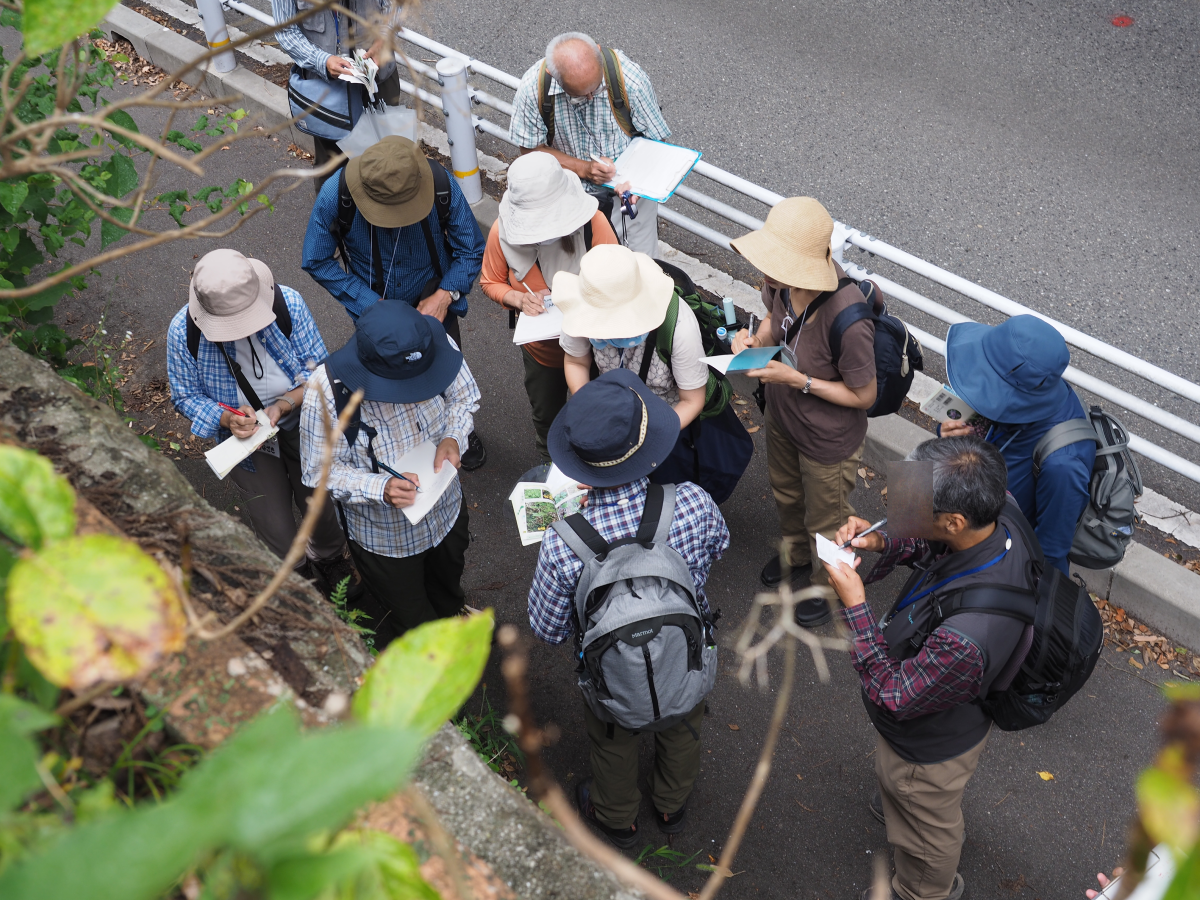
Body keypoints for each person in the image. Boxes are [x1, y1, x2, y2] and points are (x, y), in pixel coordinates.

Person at [823, 437, 1037, 900]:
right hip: (940, 715)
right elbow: (938, 549)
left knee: (927, 828)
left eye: (914, 504)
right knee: (905, 794)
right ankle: (902, 808)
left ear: (955, 520)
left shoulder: (967, 638)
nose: (897, 507)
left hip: (928, 749)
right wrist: (884, 540)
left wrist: (857, 606)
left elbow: (894, 694)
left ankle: (921, 890)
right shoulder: (1000, 510)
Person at [528, 368, 730, 847]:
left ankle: (617, 818)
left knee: (612, 744)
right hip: (683, 655)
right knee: (683, 728)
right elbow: (716, 549)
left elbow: (547, 627)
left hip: (611, 671)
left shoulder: (562, 541)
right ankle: (671, 805)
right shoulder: (693, 504)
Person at [729, 197, 877, 626]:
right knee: (787, 493)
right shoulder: (781, 283)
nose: (767, 270)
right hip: (782, 417)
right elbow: (772, 324)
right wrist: (752, 343)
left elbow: (863, 397)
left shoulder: (849, 318)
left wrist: (800, 381)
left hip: (828, 439)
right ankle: (795, 554)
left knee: (828, 518)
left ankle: (825, 584)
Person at [299, 301, 481, 648]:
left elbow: (464, 396)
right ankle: (429, 664)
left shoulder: (434, 342)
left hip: (445, 509)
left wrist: (453, 437)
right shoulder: (325, 392)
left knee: (449, 580)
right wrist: (379, 487)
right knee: (410, 611)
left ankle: (453, 617)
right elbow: (318, 471)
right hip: (385, 538)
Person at [302, 135, 488, 470]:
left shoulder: (441, 183)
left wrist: (444, 296)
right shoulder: (336, 193)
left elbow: (471, 248)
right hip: (373, 310)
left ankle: (458, 433)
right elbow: (316, 259)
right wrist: (371, 305)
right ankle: (400, 439)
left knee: (445, 372)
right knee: (385, 377)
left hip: (434, 302)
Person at [167, 249, 349, 588]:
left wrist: (282, 405)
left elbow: (319, 373)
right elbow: (185, 395)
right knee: (272, 520)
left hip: (300, 421)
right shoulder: (183, 332)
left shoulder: (287, 305)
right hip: (244, 441)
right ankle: (294, 574)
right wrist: (225, 419)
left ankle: (330, 557)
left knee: (319, 502)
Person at [554, 244, 753, 504]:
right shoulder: (582, 307)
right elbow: (576, 362)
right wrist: (593, 410)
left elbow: (692, 400)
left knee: (663, 492)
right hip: (615, 413)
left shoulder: (678, 325)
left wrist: (647, 439)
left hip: (668, 419)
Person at [478, 150, 618, 460]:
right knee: (549, 421)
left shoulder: (592, 222)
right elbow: (490, 282)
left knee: (600, 417)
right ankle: (554, 467)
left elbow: (618, 278)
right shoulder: (502, 233)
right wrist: (517, 298)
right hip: (541, 351)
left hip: (596, 347)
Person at [941, 315, 1096, 575]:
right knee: (906, 505)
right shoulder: (1029, 387)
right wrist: (948, 438)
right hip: (964, 518)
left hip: (994, 560)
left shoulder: (1065, 464)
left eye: (988, 381)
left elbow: (1049, 557)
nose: (980, 386)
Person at [508, 32, 671, 256]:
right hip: (568, 199)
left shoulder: (630, 79)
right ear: (552, 75)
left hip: (627, 199)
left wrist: (639, 185)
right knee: (586, 274)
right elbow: (530, 152)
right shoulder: (532, 89)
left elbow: (657, 141)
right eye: (580, 96)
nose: (592, 98)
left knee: (642, 268)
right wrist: (584, 169)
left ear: (598, 50)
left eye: (597, 89)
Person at [272, 0, 403, 191]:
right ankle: (335, 217)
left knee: (387, 160)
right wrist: (321, 60)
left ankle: (384, 216)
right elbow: (286, 31)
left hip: (379, 79)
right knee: (332, 171)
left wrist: (384, 38)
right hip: (326, 90)